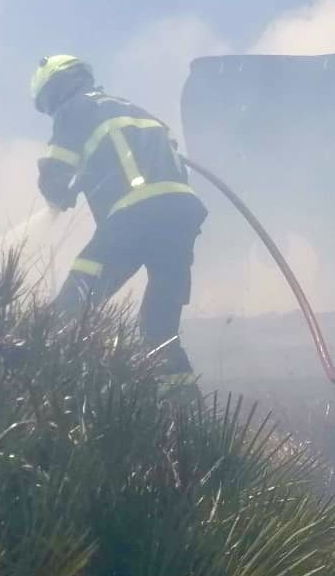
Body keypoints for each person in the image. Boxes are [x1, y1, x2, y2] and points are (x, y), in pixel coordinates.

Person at [32, 54, 208, 389]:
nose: (52, 112)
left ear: (57, 89)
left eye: (47, 104)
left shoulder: (76, 107)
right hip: (180, 218)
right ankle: (184, 413)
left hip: (134, 216)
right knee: (159, 330)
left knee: (75, 301)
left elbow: (56, 169)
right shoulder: (138, 111)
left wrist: (57, 194)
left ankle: (46, 386)